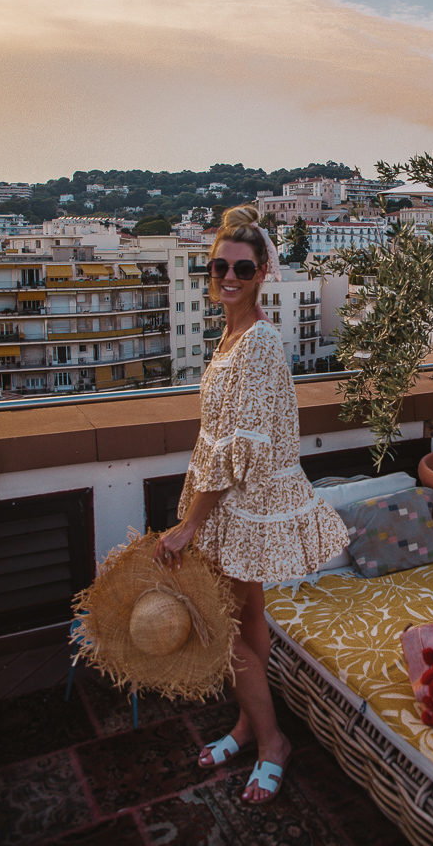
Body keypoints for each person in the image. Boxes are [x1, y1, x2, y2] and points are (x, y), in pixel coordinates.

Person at [153, 205, 348, 804]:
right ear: (208, 272)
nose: (228, 276)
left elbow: (238, 451)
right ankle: (247, 726)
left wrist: (190, 526)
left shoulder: (258, 342)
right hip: (235, 505)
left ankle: (272, 743)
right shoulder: (232, 335)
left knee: (226, 630)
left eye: (241, 266)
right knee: (249, 618)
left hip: (239, 506)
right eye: (219, 267)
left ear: (263, 270)